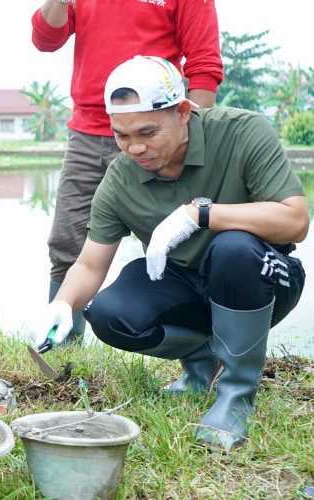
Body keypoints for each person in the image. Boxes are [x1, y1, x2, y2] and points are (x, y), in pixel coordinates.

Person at [33, 56, 308, 451]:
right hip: (186, 281)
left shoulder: (241, 132)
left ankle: (235, 394)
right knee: (111, 314)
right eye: (121, 135)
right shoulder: (122, 176)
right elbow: (91, 263)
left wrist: (202, 215)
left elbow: (295, 220)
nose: (135, 147)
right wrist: (61, 305)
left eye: (147, 131)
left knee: (232, 248)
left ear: (183, 112)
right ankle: (202, 365)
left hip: (261, 276)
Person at [31, 0, 223, 343]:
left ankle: (207, 351)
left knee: (190, 242)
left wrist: (188, 138)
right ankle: (59, 343)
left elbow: (204, 65)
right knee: (67, 240)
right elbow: (46, 39)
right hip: (90, 132)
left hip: (158, 134)